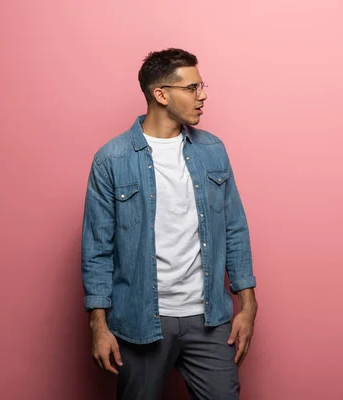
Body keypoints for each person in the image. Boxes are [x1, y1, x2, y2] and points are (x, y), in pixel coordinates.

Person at [81, 48, 258, 400]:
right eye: (192, 88)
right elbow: (97, 250)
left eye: (201, 85)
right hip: (141, 320)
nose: (203, 95)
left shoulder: (212, 150)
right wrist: (98, 326)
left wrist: (248, 305)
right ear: (161, 94)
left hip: (210, 318)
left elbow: (235, 228)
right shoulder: (111, 160)